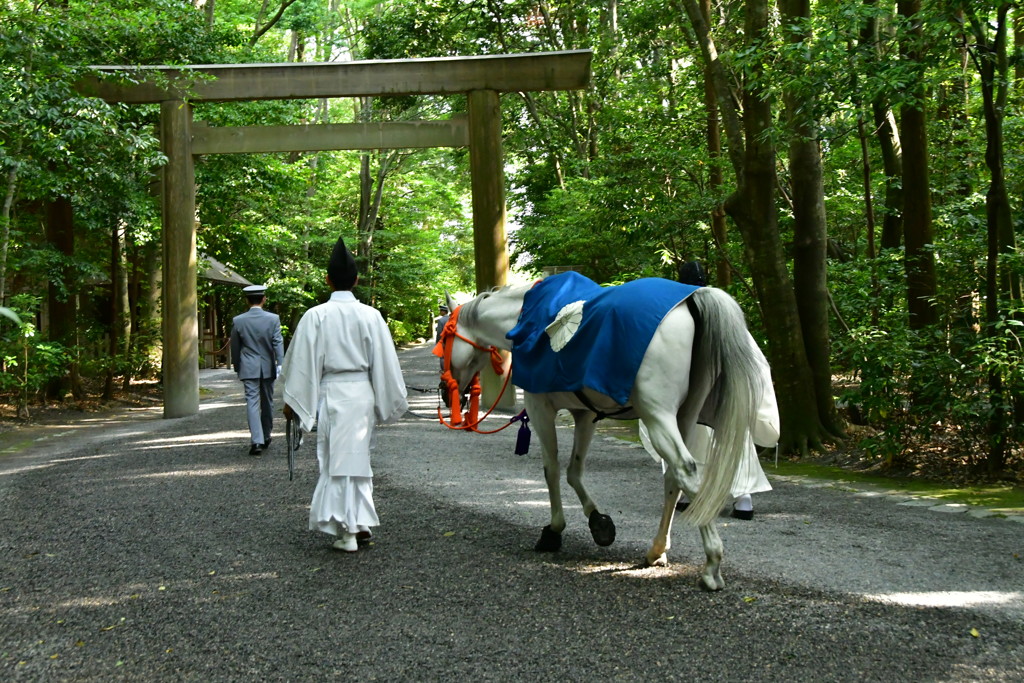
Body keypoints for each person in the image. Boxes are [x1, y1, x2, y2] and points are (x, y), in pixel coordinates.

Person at [281, 236, 408, 552]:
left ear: (327, 280)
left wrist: (292, 402)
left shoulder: (315, 316)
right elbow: (385, 363)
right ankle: (358, 523)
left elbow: (301, 365)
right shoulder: (371, 316)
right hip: (361, 392)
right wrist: (385, 398)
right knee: (357, 459)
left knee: (336, 460)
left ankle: (348, 531)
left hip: (331, 392)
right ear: (356, 280)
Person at [641, 260, 779, 520]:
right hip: (726, 383)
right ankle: (742, 498)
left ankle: (690, 490)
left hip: (690, 387)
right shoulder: (721, 307)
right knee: (732, 434)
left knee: (689, 436)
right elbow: (749, 352)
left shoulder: (676, 311)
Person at [230, 284, 285, 456]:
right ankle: (267, 435)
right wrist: (280, 363)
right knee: (267, 402)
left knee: (252, 403)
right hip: (267, 365)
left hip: (248, 366)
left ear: (247, 301)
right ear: (264, 299)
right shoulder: (273, 319)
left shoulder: (238, 320)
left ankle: (257, 441)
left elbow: (235, 347)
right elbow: (277, 342)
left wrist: (238, 367)